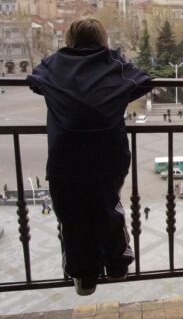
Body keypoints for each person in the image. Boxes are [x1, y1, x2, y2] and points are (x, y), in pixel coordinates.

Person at [27, 17, 152, 296]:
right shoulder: (113, 64)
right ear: (103, 39)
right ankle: (117, 266)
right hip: (108, 155)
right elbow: (144, 81)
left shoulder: (55, 64)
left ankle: (84, 278)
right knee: (108, 207)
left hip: (65, 157)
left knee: (71, 217)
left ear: (69, 40)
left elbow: (34, 80)